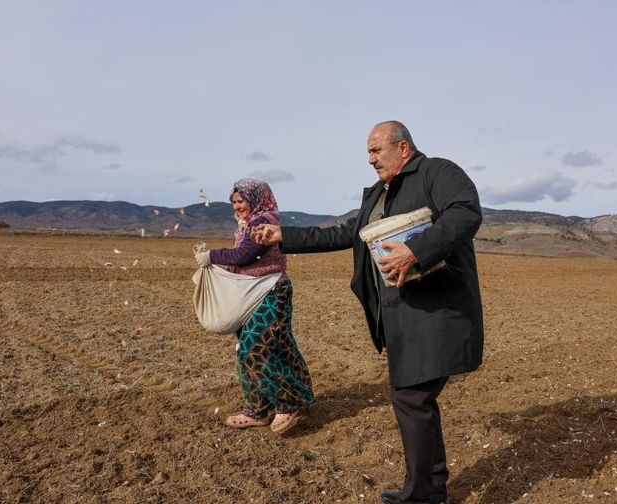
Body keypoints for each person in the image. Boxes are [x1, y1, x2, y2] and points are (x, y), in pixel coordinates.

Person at [253, 121, 484, 503]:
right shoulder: (379, 193)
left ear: (403, 148)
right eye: (368, 152)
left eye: (376, 151)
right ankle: (430, 487)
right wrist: (284, 236)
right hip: (403, 314)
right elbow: (345, 232)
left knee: (411, 397)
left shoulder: (437, 172)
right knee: (414, 398)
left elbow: (465, 212)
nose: (370, 159)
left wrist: (417, 250)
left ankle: (424, 494)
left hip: (437, 310)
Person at [194, 178, 315, 434]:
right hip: (252, 294)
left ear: (256, 200)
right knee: (273, 347)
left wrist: (212, 256)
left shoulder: (262, 222)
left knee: (257, 346)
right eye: (234, 202)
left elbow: (245, 255)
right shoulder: (247, 224)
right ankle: (259, 409)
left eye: (242, 201)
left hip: (271, 292)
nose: (237, 206)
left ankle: (287, 404)